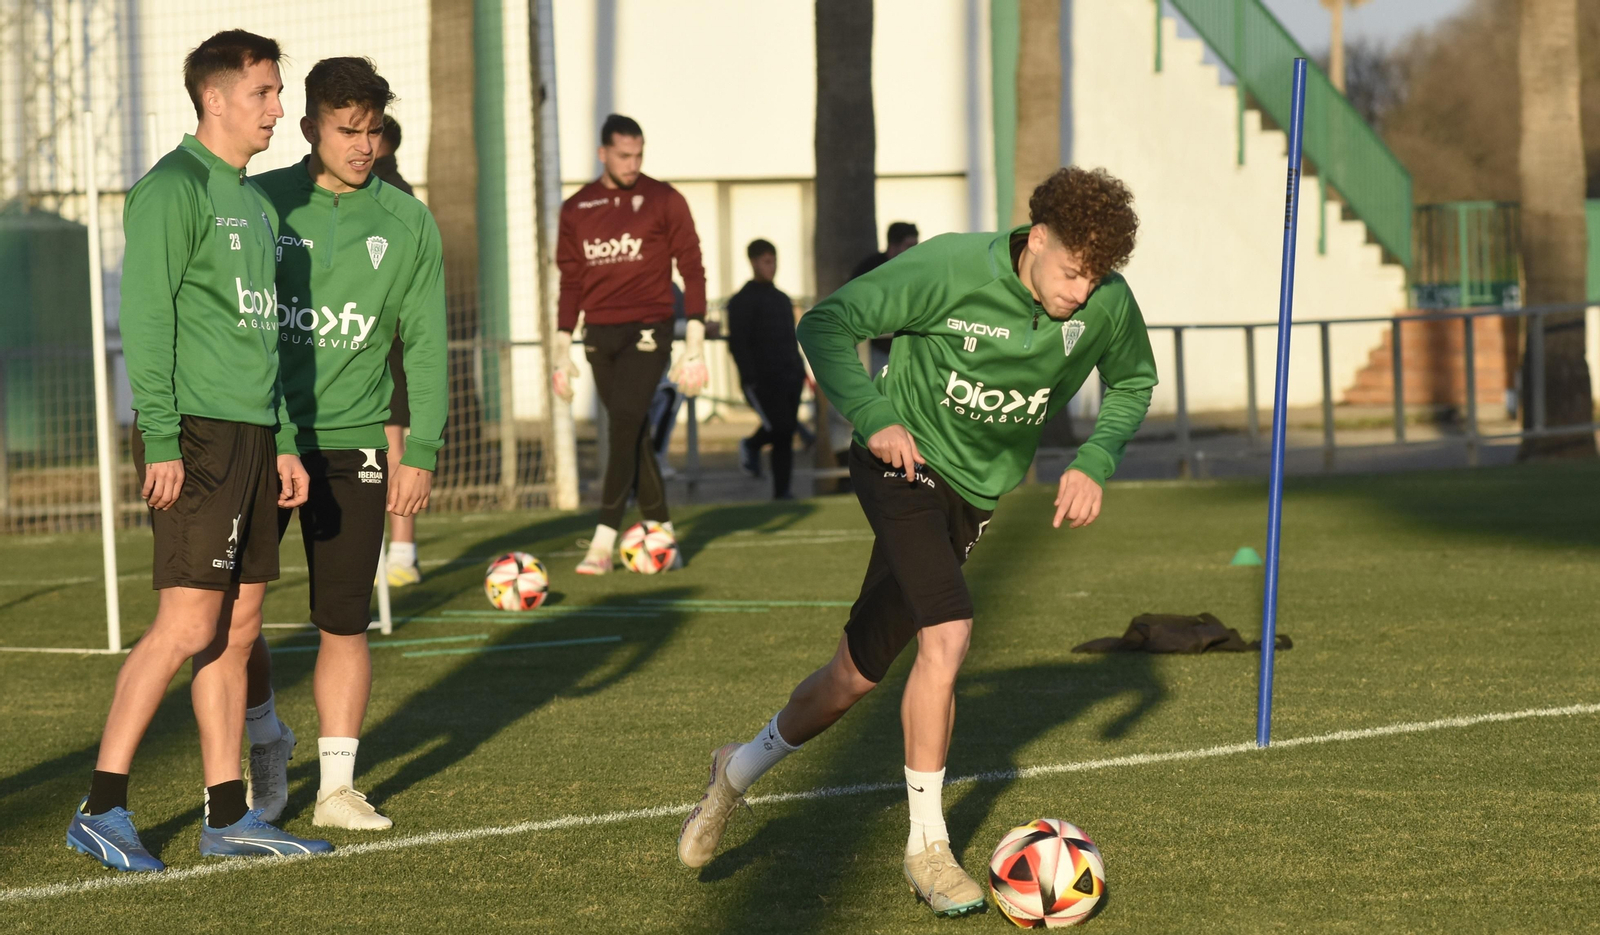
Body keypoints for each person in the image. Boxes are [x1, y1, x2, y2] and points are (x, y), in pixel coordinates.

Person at [677, 167, 1157, 917]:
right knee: (950, 632)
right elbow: (825, 324)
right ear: (1037, 240)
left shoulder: (1106, 303)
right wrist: (873, 415)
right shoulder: (950, 267)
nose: (1082, 292)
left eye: (1096, 278)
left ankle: (732, 773)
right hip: (898, 465)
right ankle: (927, 848)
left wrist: (1095, 458)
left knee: (853, 677)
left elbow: (1132, 381)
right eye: (1072, 272)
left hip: (970, 498)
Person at [66, 30, 331, 871]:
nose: (278, 108)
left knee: (240, 627)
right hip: (196, 436)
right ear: (215, 98)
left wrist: (283, 441)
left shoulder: (256, 204)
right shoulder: (170, 189)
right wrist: (161, 436)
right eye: (264, 92)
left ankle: (227, 815)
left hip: (253, 439)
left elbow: (265, 339)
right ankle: (100, 807)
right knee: (185, 624)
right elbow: (146, 322)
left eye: (277, 91)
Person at [245, 57, 447, 831]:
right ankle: (266, 736)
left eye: (375, 131)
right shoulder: (260, 203)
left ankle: (335, 788)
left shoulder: (409, 221)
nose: (365, 146)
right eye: (348, 130)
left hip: (356, 443)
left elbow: (425, 344)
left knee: (344, 619)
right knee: (235, 616)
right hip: (262, 437)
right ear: (309, 129)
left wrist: (420, 449)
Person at [550, 113, 709, 574]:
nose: (632, 163)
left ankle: (603, 538)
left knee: (623, 422)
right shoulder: (576, 208)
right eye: (623, 155)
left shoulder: (664, 199)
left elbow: (692, 266)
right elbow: (570, 281)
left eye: (639, 155)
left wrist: (695, 337)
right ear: (603, 153)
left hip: (649, 328)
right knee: (633, 433)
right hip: (599, 333)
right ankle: (664, 538)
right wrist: (561, 344)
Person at [373, 114, 422, 585]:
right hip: (353, 336)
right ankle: (375, 549)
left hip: (388, 343)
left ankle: (402, 551)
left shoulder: (395, 195)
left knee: (392, 444)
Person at [727, 239, 805, 499]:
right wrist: (749, 377)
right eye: (766, 261)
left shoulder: (782, 299)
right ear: (753, 262)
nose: (772, 267)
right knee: (780, 427)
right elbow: (738, 343)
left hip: (789, 377)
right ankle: (751, 444)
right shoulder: (742, 301)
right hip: (762, 380)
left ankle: (782, 491)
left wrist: (799, 371)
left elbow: (790, 339)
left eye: (774, 261)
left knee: (785, 435)